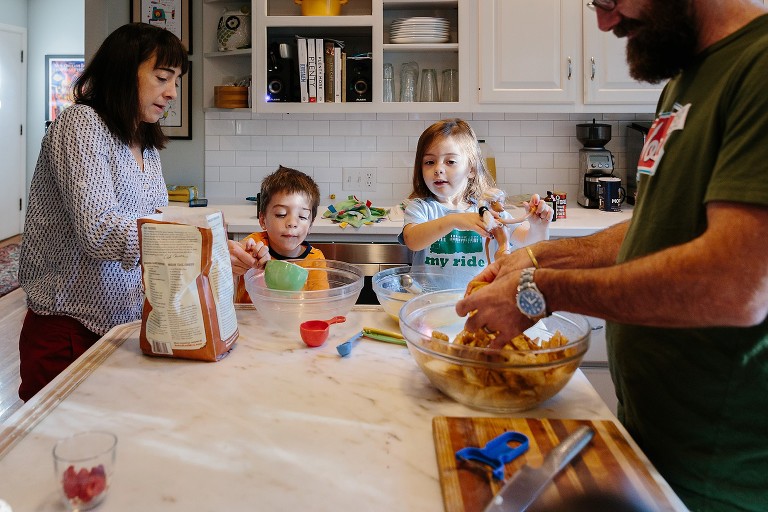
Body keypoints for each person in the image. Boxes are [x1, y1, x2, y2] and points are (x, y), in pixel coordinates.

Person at [456, 1, 768, 510]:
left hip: (726, 479)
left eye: (608, 0)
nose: (604, 23)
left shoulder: (759, 68)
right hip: (652, 439)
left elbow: (736, 286)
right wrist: (541, 260)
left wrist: (542, 292)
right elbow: (657, 225)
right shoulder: (683, 83)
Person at [17, 23, 189, 401]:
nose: (172, 91)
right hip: (67, 327)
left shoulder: (146, 144)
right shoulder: (81, 124)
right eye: (162, 77)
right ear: (125, 72)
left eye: (176, 79)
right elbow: (100, 230)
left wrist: (219, 251)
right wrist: (193, 241)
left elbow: (154, 225)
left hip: (122, 323)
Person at [399, 118, 552, 274]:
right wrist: (454, 220)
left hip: (478, 296)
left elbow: (530, 244)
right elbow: (412, 240)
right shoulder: (421, 208)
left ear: (471, 169)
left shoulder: (488, 211)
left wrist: (539, 226)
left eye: (450, 161)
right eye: (430, 162)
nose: (438, 169)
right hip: (429, 298)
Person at [230, 166, 326, 303]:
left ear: (310, 224)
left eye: (303, 216)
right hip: (251, 321)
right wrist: (244, 258)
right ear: (263, 220)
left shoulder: (315, 260)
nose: (292, 223)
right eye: (281, 214)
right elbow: (240, 252)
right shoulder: (255, 244)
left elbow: (319, 304)